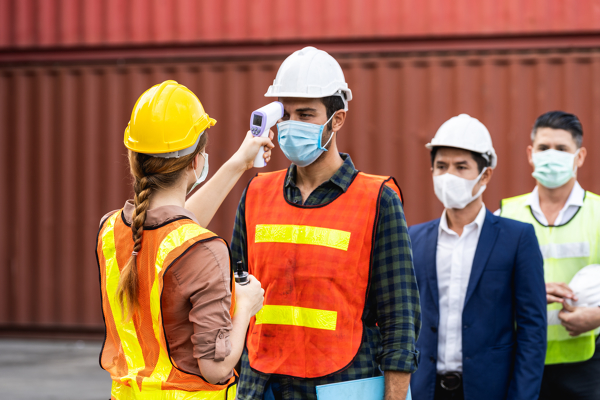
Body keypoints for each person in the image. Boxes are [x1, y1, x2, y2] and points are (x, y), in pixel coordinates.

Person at [230, 46, 421, 400]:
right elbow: (233, 294)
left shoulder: (377, 199)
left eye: (306, 114)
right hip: (262, 385)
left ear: (337, 120)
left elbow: (400, 317)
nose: (291, 125)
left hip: (342, 384)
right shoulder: (256, 192)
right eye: (285, 114)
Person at [96, 80, 273, 399]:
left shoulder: (111, 229)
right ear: (196, 162)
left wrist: (239, 162)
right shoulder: (203, 249)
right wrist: (245, 306)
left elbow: (172, 228)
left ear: (133, 159)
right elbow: (216, 368)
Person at [409, 114, 547, 400]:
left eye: (462, 167)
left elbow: (533, 330)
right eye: (441, 167)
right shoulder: (414, 239)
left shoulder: (517, 238)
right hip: (425, 389)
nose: (449, 176)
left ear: (485, 175)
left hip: (490, 390)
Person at [498, 111, 600, 400]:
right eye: (544, 148)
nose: (551, 155)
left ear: (579, 157)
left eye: (562, 149)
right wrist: (528, 292)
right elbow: (485, 289)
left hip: (587, 363)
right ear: (531, 154)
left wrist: (597, 316)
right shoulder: (505, 214)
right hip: (522, 361)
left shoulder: (598, 213)